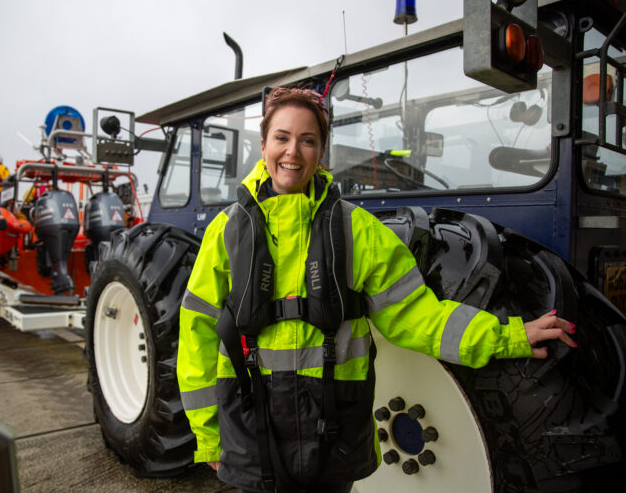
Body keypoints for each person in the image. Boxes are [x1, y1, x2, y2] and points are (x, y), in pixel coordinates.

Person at [176, 87, 577, 493]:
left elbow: (419, 317)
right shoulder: (226, 231)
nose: (292, 152)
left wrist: (508, 335)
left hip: (334, 434)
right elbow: (197, 338)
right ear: (263, 145)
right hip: (251, 430)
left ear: (322, 152)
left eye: (307, 140)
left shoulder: (359, 231)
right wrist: (208, 435)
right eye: (281, 137)